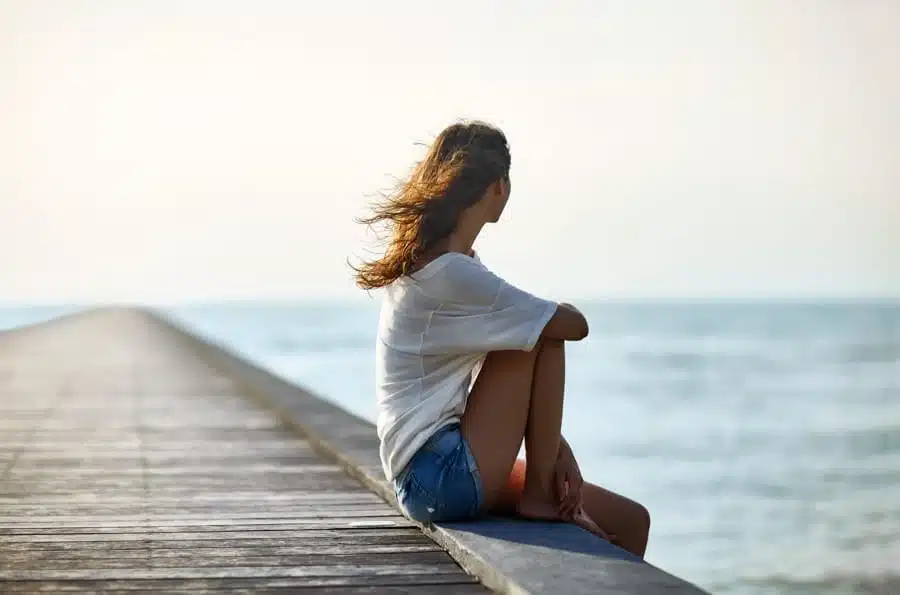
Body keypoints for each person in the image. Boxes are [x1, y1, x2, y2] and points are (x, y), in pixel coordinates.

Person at [353, 120, 651, 558]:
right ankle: (538, 497)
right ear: (498, 186)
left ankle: (541, 489)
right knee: (547, 329)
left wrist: (556, 449)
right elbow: (572, 325)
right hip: (437, 475)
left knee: (630, 521)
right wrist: (545, 462)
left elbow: (502, 372)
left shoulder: (444, 266)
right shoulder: (452, 275)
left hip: (435, 471)